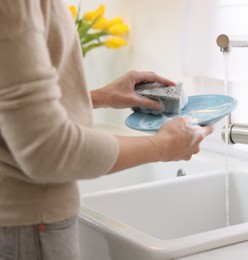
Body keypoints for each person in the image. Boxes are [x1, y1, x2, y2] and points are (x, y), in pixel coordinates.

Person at [0, 0, 213, 259]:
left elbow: (14, 112)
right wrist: (162, 146)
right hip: (28, 224)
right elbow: (47, 149)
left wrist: (100, 96)